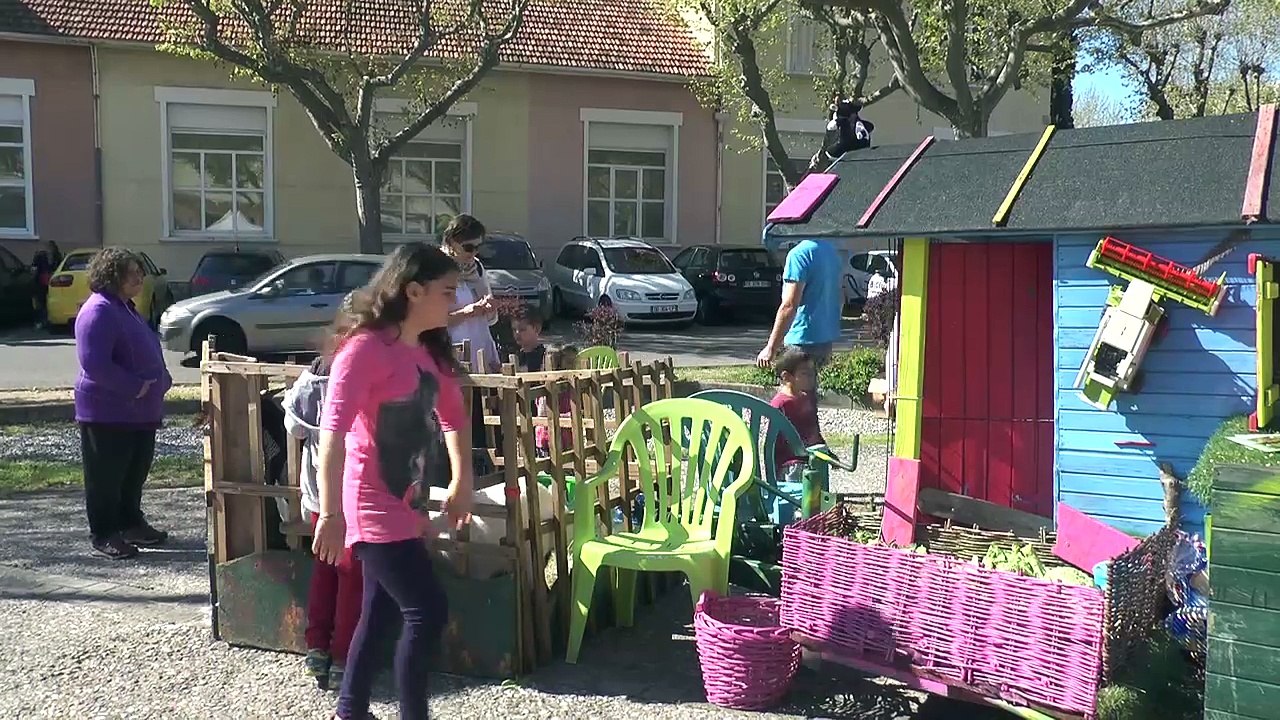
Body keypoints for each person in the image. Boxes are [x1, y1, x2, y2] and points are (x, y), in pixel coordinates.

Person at [311, 243, 473, 720]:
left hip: (408, 503)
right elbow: (332, 435)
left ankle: (351, 709)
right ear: (414, 290)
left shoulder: (426, 354)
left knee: (379, 614)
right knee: (427, 611)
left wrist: (462, 481)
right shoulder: (364, 349)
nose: (456, 302)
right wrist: (331, 514)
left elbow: (455, 419)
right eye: (447, 292)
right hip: (369, 503)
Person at [74, 247, 172, 559]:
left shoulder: (125, 308)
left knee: (133, 474)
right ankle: (104, 533)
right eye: (132, 272)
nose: (140, 277)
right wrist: (136, 388)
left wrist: (161, 379)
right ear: (111, 275)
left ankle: (131, 523)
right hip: (108, 413)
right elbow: (95, 364)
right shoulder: (98, 311)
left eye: (140, 271)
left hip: (139, 414)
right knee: (106, 479)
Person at [284, 354, 363, 692]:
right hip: (355, 494)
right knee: (351, 575)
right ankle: (343, 656)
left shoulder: (318, 371)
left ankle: (317, 645)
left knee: (326, 567)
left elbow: (294, 426)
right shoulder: (372, 368)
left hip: (320, 490)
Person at [757, 239, 843, 371]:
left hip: (801, 339)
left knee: (794, 388)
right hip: (825, 337)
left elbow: (789, 305)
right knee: (815, 387)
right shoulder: (830, 251)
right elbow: (840, 294)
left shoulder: (799, 254)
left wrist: (771, 348)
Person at [770, 347, 826, 484]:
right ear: (787, 377)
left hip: (812, 458)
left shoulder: (808, 399)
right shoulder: (780, 404)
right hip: (790, 464)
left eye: (813, 373)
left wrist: (825, 450)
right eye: (805, 374)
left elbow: (814, 432)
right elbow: (772, 443)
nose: (811, 378)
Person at [30, 241, 61, 329]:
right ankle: (41, 321)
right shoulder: (40, 257)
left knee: (50, 302)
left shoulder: (57, 257)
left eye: (51, 248)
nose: (49, 250)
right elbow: (34, 269)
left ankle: (49, 321)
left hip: (53, 284)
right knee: (41, 303)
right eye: (48, 248)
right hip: (41, 284)